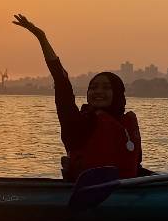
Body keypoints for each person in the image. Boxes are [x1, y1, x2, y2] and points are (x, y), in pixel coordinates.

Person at [12, 14, 145, 181]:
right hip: (87, 193)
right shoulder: (77, 124)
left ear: (117, 94)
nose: (98, 92)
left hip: (129, 191)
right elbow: (62, 83)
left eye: (106, 87)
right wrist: (41, 37)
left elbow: (136, 166)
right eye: (93, 87)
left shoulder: (126, 124)